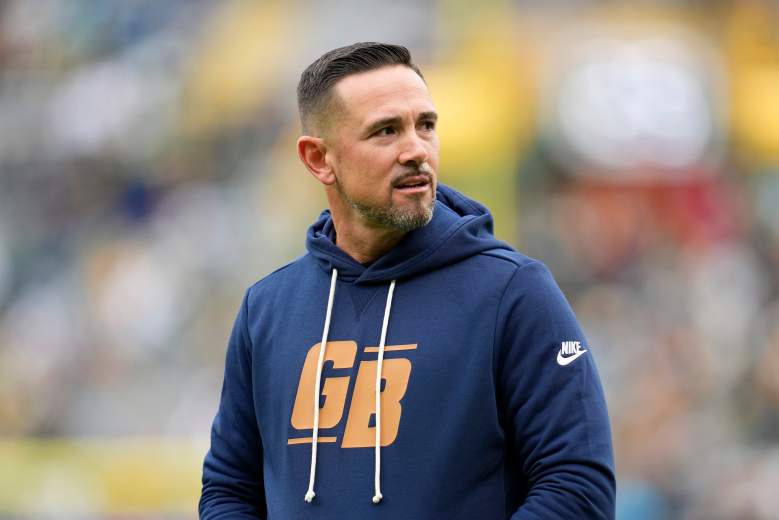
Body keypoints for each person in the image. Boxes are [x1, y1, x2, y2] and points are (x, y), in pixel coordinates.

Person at [199, 42, 615, 519]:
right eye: (386, 131)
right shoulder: (267, 308)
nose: (416, 150)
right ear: (318, 159)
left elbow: (577, 489)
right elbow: (229, 490)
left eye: (426, 126)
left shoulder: (514, 293)